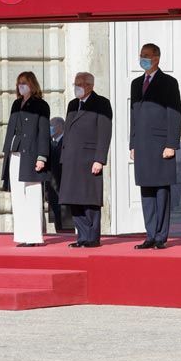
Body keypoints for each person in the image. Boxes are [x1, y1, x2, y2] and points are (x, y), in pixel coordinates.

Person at [130, 43, 181, 250]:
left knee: (161, 189)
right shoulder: (136, 84)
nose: (143, 58)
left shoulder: (169, 82)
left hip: (161, 145)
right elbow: (133, 114)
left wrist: (172, 144)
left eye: (147, 55)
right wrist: (132, 143)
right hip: (142, 145)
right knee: (146, 190)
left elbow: (175, 113)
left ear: (157, 58)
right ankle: (150, 234)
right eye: (141, 55)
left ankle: (161, 236)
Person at [59, 72, 113, 248]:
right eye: (75, 83)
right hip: (71, 159)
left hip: (89, 159)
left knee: (89, 199)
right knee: (74, 199)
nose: (77, 86)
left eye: (80, 83)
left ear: (90, 85)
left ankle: (92, 237)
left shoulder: (101, 103)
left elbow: (104, 133)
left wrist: (100, 159)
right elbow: (68, 131)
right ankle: (82, 236)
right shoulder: (73, 104)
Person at [1, 71, 51, 247]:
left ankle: (34, 236)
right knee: (18, 197)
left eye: (23, 82)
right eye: (18, 83)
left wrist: (42, 157)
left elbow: (44, 134)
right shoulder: (16, 104)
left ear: (32, 84)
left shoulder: (41, 105)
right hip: (14, 154)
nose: (20, 86)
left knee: (32, 195)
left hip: (31, 154)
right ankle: (22, 235)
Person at [46, 117, 74, 232]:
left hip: (64, 186)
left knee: (66, 222)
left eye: (52, 125)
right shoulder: (51, 143)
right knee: (58, 222)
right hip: (53, 188)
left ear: (60, 127)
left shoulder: (66, 142)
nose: (50, 128)